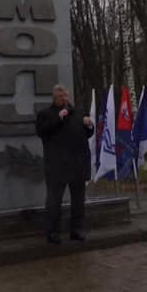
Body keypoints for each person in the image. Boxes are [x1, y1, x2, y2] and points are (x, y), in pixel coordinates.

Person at [36, 84, 94, 245]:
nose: (64, 99)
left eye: (65, 96)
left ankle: (76, 230)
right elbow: (41, 131)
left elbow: (86, 134)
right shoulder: (46, 114)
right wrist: (58, 118)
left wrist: (89, 126)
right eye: (60, 97)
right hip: (57, 166)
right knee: (54, 201)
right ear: (54, 99)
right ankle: (52, 232)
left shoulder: (77, 113)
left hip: (77, 164)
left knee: (78, 201)